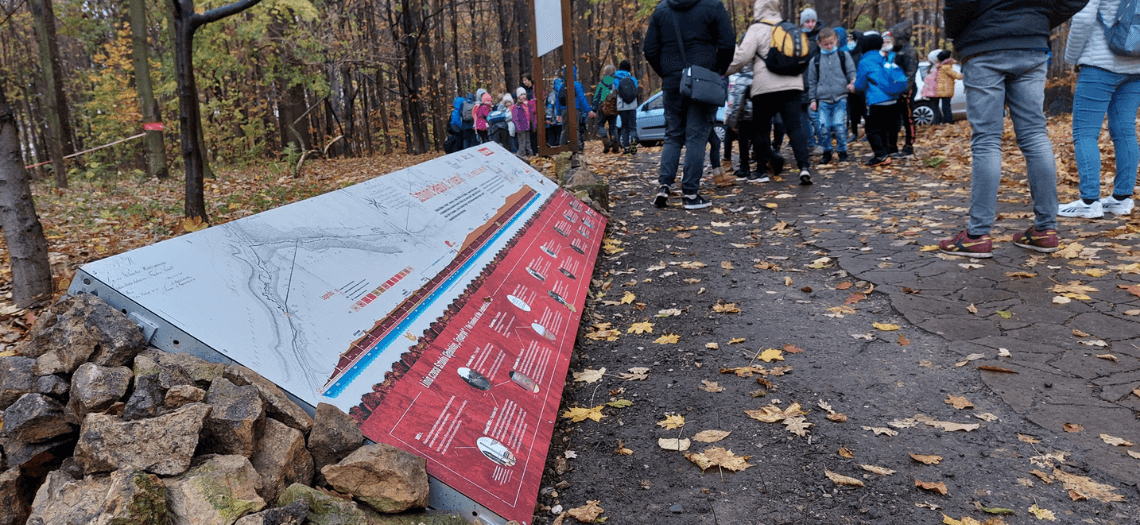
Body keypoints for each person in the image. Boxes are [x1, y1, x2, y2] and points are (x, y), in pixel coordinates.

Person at [938, 0, 1086, 258]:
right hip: (1031, 45)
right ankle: (1045, 230)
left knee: (986, 139)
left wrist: (956, 32)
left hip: (983, 43)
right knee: (1035, 135)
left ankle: (977, 235)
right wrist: (1037, 18)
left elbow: (957, 4)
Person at [644, 0, 735, 209]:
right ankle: (691, 194)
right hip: (703, 80)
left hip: (673, 82)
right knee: (697, 136)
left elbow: (650, 49)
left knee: (673, 134)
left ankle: (664, 186)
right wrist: (717, 71)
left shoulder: (661, 10)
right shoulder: (712, 6)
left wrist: (668, 73)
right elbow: (728, 43)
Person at [1059, 0, 1140, 219]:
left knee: (1085, 133)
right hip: (1135, 66)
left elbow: (1084, 18)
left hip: (1099, 65)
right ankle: (1122, 200)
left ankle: (1089, 202)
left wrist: (1071, 58)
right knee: (1125, 131)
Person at [728, 0, 813, 186]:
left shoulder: (756, 29)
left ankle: (760, 170)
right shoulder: (789, 27)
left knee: (762, 129)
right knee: (795, 127)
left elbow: (742, 58)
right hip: (793, 84)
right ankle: (804, 167)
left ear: (758, 8)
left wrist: (724, 71)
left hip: (765, 87)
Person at [807, 27, 856, 164]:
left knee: (839, 125)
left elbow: (851, 72)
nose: (828, 46)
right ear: (820, 44)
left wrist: (852, 81)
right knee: (823, 126)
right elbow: (812, 82)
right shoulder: (815, 61)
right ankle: (827, 151)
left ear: (836, 41)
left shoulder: (843, 56)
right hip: (823, 99)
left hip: (840, 97)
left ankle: (842, 151)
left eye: (831, 43)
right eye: (825, 44)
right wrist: (812, 99)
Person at [853, 33, 900, 166]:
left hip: (877, 100)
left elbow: (860, 85)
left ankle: (880, 155)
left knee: (872, 129)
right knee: (884, 128)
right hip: (892, 99)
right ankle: (886, 153)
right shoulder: (885, 57)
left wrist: (853, 86)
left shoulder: (865, 61)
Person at [887, 21, 919, 157]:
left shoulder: (910, 52)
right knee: (893, 120)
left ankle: (908, 146)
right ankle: (891, 146)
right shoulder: (893, 51)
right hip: (894, 90)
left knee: (908, 118)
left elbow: (910, 74)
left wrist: (906, 91)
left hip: (906, 91)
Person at [799, 8, 824, 154]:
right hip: (799, 81)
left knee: (815, 115)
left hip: (815, 82)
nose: (810, 24)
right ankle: (810, 144)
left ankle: (823, 143)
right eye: (807, 21)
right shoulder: (796, 36)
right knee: (802, 116)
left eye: (812, 21)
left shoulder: (820, 38)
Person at [614, 60, 640, 154]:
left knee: (624, 127)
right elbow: (636, 90)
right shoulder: (632, 79)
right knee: (632, 127)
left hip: (622, 106)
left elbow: (614, 92)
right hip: (632, 105)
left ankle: (626, 147)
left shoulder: (616, 79)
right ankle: (633, 141)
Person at [593, 64, 620, 153]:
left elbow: (596, 96)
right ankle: (615, 146)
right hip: (613, 107)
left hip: (603, 107)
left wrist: (594, 108)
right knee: (613, 126)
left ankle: (606, 142)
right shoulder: (616, 82)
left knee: (600, 125)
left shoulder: (601, 83)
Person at [933, 50, 962, 124]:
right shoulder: (946, 67)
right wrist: (964, 74)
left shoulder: (941, 66)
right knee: (946, 107)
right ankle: (948, 121)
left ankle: (945, 121)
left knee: (944, 107)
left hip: (942, 89)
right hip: (945, 89)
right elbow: (957, 76)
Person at [513, 88, 534, 157]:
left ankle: (530, 154)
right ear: (518, 96)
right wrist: (518, 127)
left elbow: (531, 116)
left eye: (524, 94)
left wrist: (533, 125)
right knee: (522, 141)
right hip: (521, 127)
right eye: (521, 95)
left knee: (528, 141)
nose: (523, 96)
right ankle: (522, 154)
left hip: (527, 125)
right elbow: (515, 118)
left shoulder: (528, 105)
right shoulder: (517, 106)